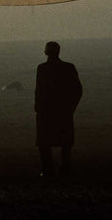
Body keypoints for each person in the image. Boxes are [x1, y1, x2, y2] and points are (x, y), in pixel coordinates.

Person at [35, 41, 82, 177]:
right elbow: (77, 90)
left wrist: (38, 107)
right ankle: (65, 170)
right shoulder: (68, 67)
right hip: (63, 111)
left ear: (46, 52)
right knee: (65, 143)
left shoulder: (42, 68)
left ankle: (47, 170)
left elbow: (39, 90)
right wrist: (70, 107)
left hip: (46, 112)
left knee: (44, 142)